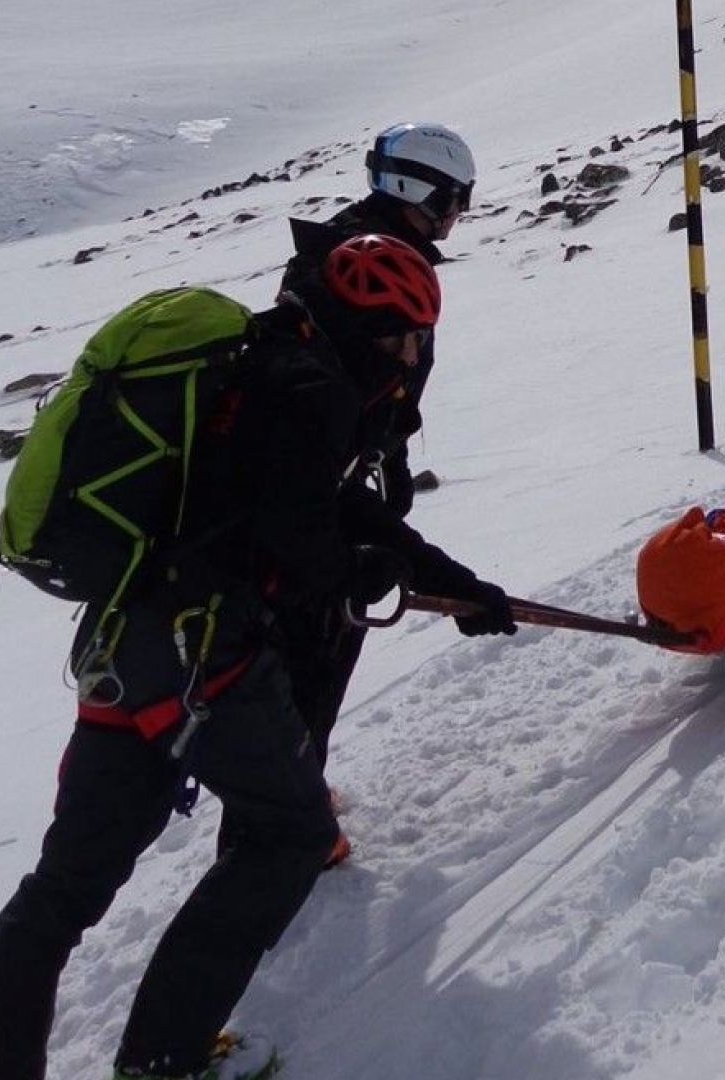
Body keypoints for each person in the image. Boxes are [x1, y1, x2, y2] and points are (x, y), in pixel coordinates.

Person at [0, 235, 515, 1080]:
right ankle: (162, 1064)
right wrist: (373, 573)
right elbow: (307, 538)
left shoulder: (258, 364)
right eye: (399, 334)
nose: (410, 355)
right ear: (360, 327)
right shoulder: (314, 393)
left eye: (416, 337)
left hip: (123, 644)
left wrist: (449, 580)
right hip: (204, 656)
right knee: (290, 833)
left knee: (65, 886)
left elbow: (332, 507)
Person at [275, 121, 478, 866]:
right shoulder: (363, 270)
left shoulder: (339, 252)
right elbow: (355, 397)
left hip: (332, 484)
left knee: (314, 649)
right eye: (454, 198)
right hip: (324, 498)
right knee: (319, 651)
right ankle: (296, 822)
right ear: (419, 192)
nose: (458, 214)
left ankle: (295, 799)